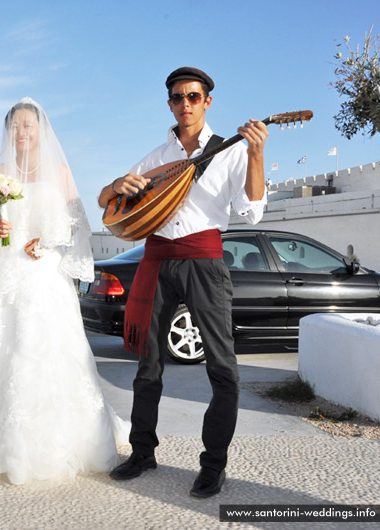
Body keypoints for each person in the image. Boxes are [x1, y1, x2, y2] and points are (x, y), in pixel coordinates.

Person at [99, 67, 269, 498]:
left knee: (221, 367)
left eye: (194, 96)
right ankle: (142, 453)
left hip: (203, 262)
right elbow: (106, 200)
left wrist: (255, 155)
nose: (186, 103)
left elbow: (252, 213)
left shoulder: (230, 150)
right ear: (170, 103)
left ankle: (213, 466)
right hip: (155, 260)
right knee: (148, 365)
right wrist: (117, 184)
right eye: (178, 97)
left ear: (207, 101)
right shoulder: (157, 157)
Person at [0, 98, 130, 485]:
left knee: (47, 350)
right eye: (16, 126)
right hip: (7, 271)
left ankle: (57, 442)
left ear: (41, 129)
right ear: (8, 131)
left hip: (43, 272)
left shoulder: (60, 171)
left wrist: (47, 242)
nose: (22, 132)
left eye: (29, 125)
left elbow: (76, 222)